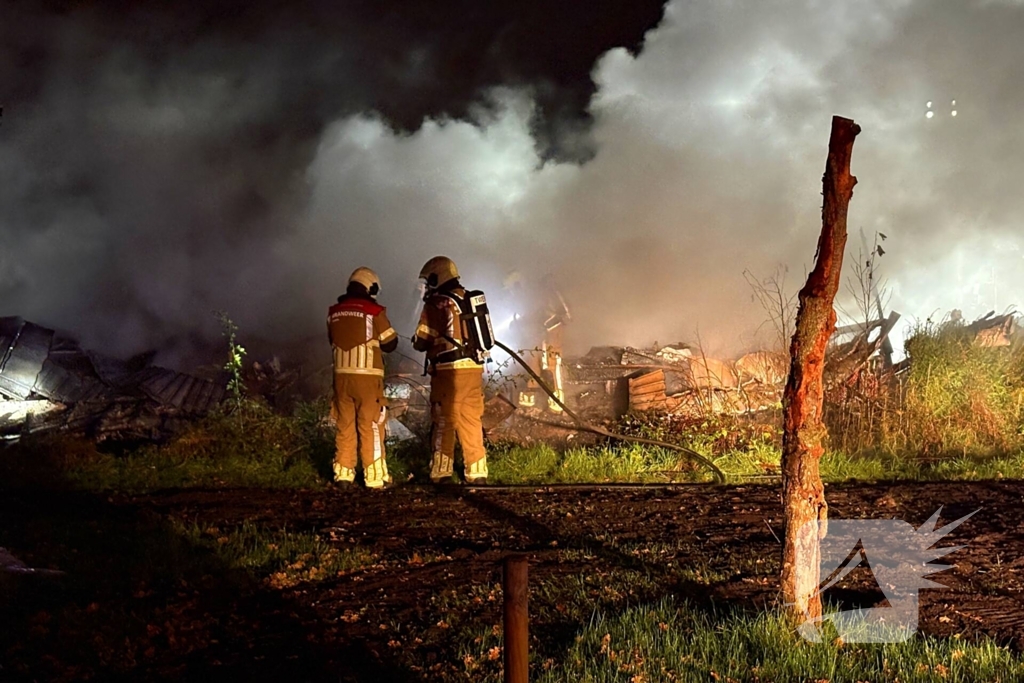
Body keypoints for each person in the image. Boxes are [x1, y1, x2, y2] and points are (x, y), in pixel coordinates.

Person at [412, 256, 489, 485]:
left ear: (437, 276)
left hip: (448, 371)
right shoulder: (469, 298)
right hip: (474, 368)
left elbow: (422, 340)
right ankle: (477, 473)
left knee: (444, 419)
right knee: (471, 420)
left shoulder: (436, 303)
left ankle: (442, 472)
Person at [327, 267, 399, 488]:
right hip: (368, 380)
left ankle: (344, 475)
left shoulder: (334, 312)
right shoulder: (374, 311)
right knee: (371, 425)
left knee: (345, 424)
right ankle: (375, 477)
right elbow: (391, 342)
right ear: (371, 287)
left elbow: (332, 339)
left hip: (341, 380)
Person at [505, 272, 570, 412]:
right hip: (538, 330)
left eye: (511, 289)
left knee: (551, 362)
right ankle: (530, 398)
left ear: (518, 285)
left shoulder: (536, 293)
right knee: (530, 359)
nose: (510, 293)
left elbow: (545, 314)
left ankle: (556, 401)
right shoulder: (526, 294)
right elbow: (527, 316)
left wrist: (525, 325)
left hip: (551, 328)